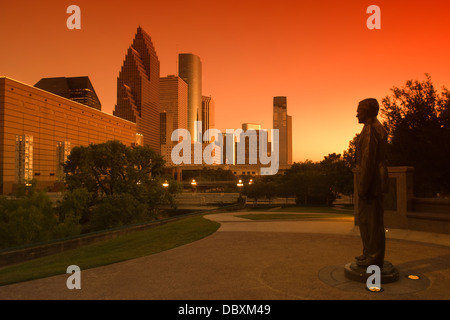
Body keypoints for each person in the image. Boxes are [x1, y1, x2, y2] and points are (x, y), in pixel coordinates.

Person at [355, 98, 389, 268]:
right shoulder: (373, 127)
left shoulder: (371, 129)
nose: (356, 114)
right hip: (374, 182)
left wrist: (362, 186)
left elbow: (368, 161)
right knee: (366, 220)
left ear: (367, 111)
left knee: (372, 222)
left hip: (372, 183)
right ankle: (368, 252)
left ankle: (374, 257)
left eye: (359, 110)